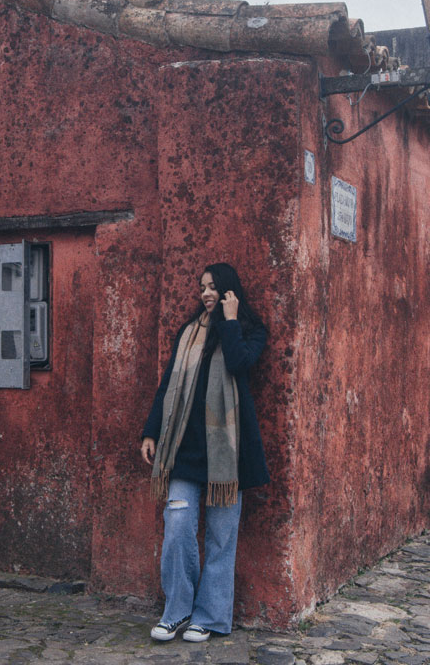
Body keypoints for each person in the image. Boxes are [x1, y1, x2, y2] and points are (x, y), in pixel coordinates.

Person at [139, 262, 269, 643]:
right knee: (178, 528)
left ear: (229, 291)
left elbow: (239, 363)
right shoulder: (188, 332)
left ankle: (209, 617)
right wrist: (151, 432)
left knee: (220, 538)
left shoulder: (249, 331)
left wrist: (229, 321)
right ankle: (177, 610)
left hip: (229, 454)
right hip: (184, 450)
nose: (206, 294)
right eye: (202, 288)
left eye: (213, 288)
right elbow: (167, 386)